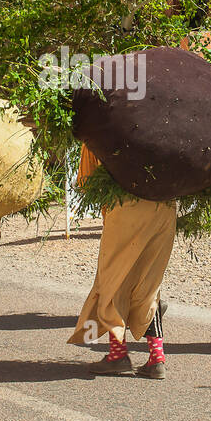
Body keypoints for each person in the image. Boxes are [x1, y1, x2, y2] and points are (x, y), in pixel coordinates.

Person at [68, 143, 175, 379]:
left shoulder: (101, 124)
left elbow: (86, 182)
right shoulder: (163, 122)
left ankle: (118, 355)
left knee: (113, 283)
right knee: (148, 285)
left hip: (125, 206)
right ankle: (157, 358)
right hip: (165, 206)